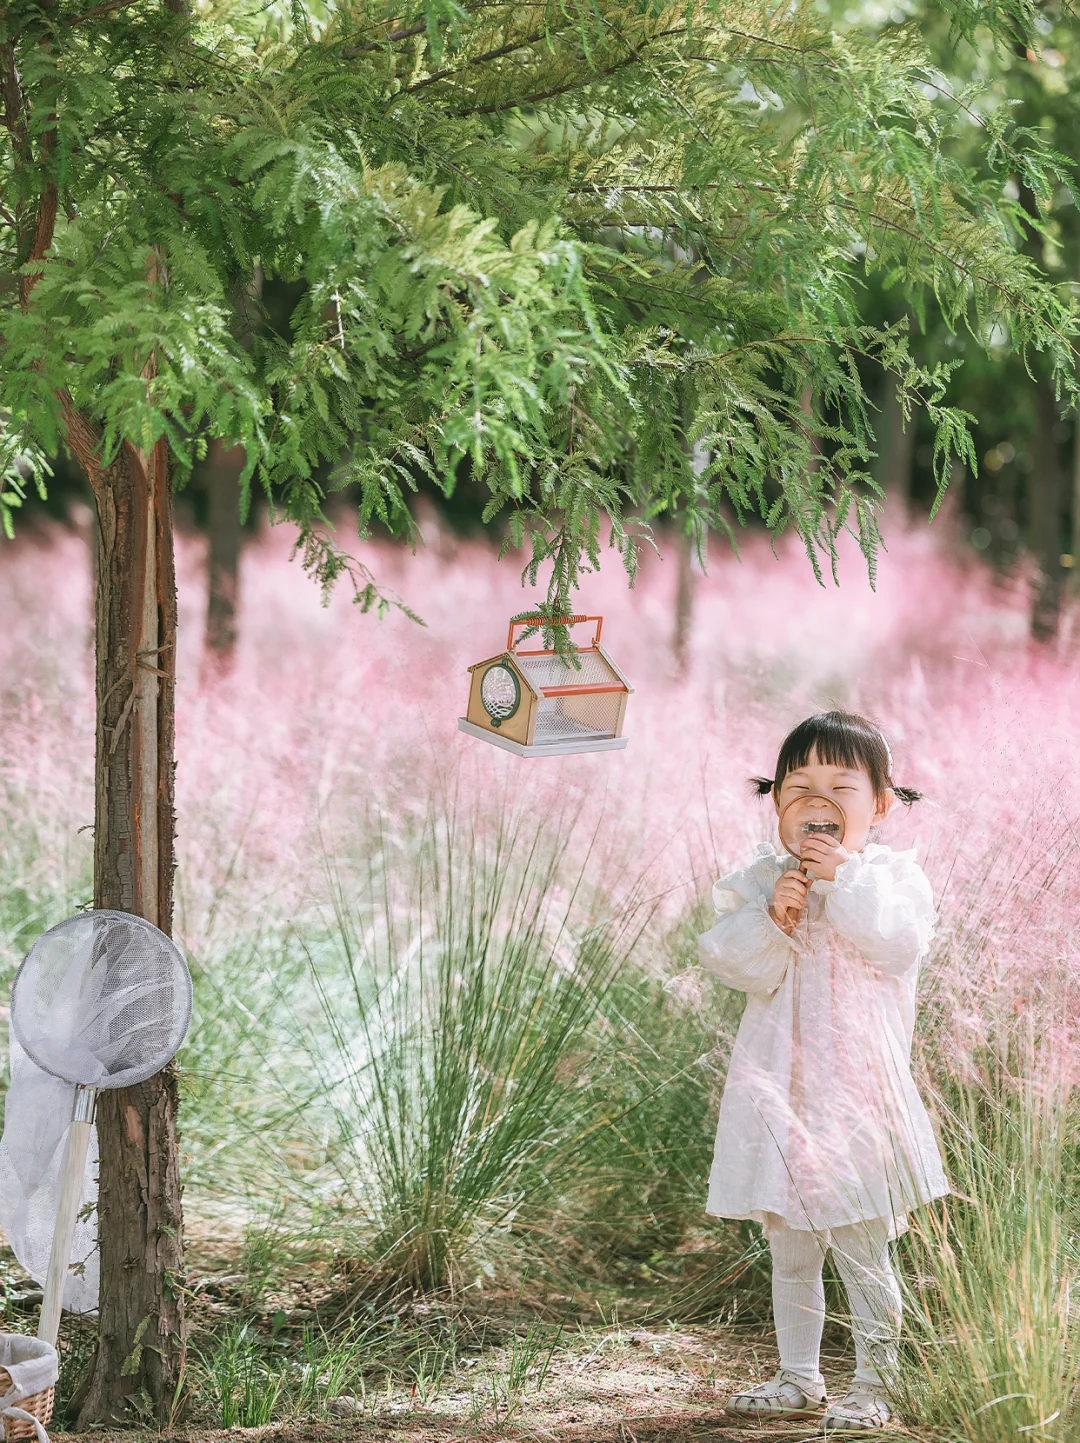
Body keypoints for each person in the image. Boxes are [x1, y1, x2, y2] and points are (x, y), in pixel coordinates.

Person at [697, 709, 950, 1432]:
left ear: (879, 803)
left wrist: (842, 880)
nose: (818, 801)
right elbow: (730, 961)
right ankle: (798, 1376)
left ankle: (877, 1383)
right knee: (792, 1244)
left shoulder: (890, 878)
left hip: (860, 1098)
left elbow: (896, 943)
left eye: (842, 785)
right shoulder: (760, 879)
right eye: (798, 785)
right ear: (776, 801)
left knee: (863, 1246)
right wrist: (770, 919)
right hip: (781, 1094)